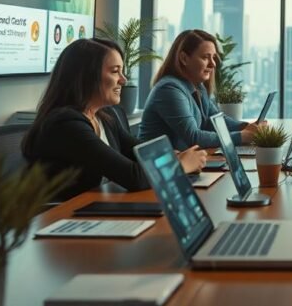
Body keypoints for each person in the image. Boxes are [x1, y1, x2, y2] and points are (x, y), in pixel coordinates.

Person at [22, 38, 208, 201]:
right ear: (87, 76)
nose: (123, 80)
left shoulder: (107, 116)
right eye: (114, 71)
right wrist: (179, 164)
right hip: (63, 220)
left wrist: (171, 156)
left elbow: (142, 153)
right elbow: (134, 177)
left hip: (97, 207)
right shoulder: (67, 125)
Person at [139, 29, 262, 149]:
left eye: (213, 57)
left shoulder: (198, 86)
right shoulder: (169, 90)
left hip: (182, 162)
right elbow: (193, 137)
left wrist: (247, 127)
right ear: (184, 59)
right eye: (205, 57)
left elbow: (216, 121)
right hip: (159, 167)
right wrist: (241, 137)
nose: (213, 64)